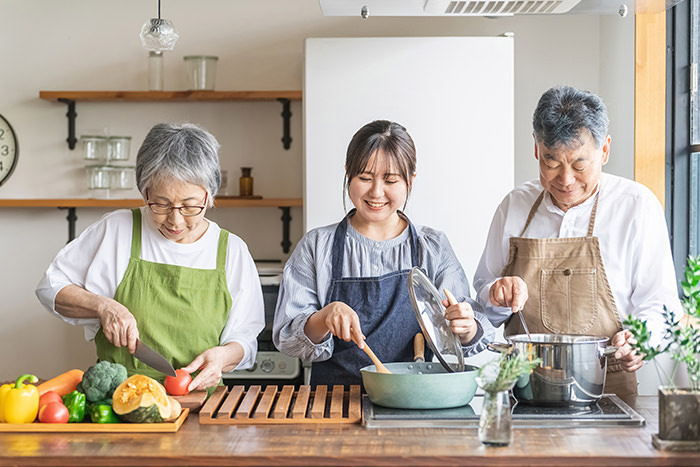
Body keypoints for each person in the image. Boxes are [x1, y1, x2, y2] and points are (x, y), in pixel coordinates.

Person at [473, 85, 681, 397]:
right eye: (551, 162)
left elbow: (661, 304)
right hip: (523, 391)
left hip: (607, 391)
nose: (565, 179)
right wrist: (495, 293)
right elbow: (483, 305)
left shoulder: (637, 206)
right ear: (536, 149)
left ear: (605, 150)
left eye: (579, 164)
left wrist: (641, 339)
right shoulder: (514, 207)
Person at [36, 123, 264, 392]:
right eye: (161, 204)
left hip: (198, 401)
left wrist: (223, 357)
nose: (175, 220)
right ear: (145, 192)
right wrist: (104, 306)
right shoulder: (116, 229)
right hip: (118, 400)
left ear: (209, 194)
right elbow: (50, 288)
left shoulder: (232, 251)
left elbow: (245, 340)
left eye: (190, 206)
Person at [273, 120, 495, 387]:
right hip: (333, 403)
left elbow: (470, 332)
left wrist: (466, 328)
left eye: (390, 180)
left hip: (413, 400)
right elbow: (288, 339)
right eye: (365, 178)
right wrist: (324, 317)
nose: (376, 192)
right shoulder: (317, 245)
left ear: (410, 181)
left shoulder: (432, 246)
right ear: (348, 174)